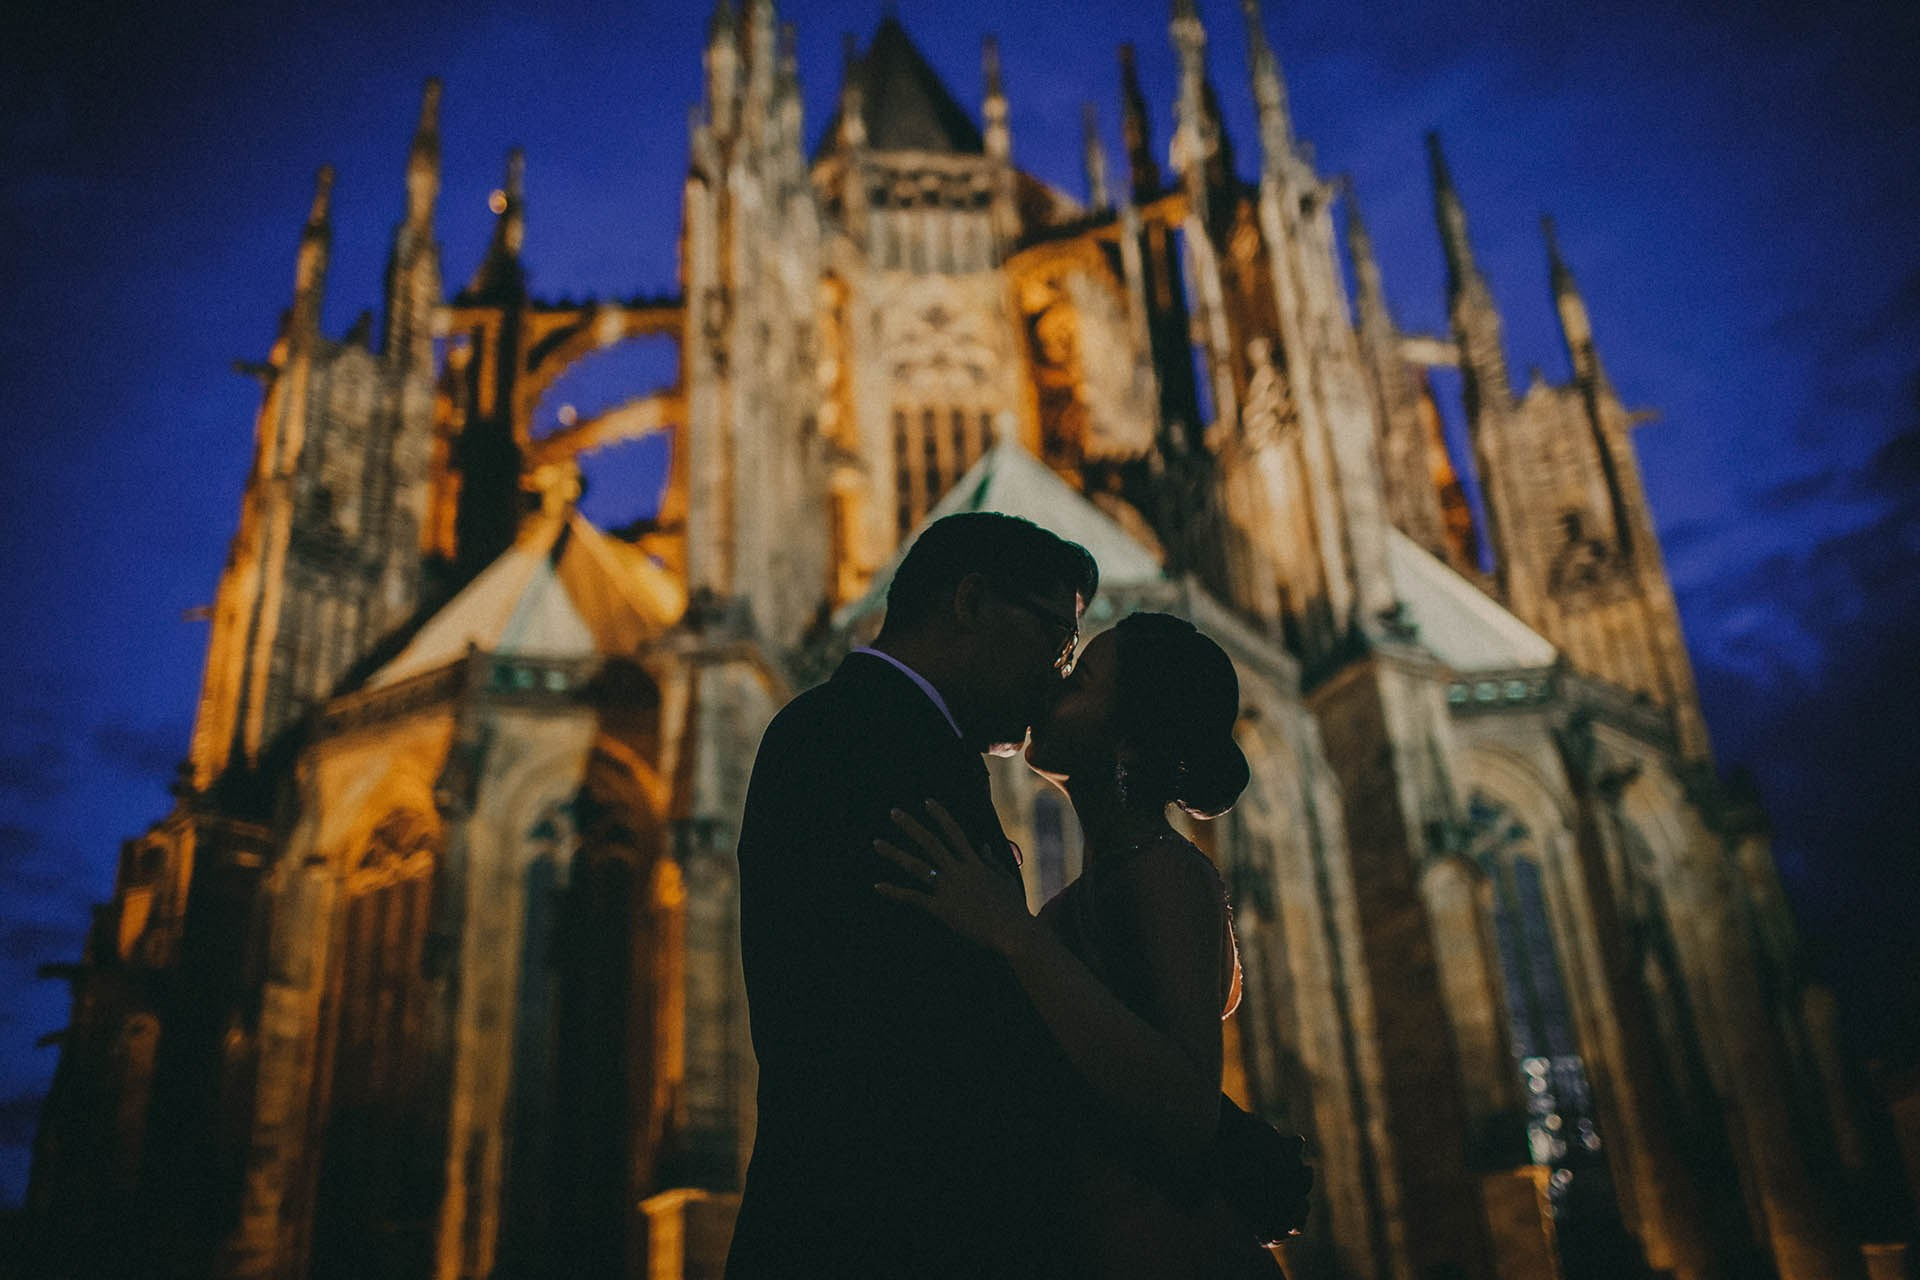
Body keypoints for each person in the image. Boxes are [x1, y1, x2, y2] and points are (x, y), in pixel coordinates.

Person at [725, 511, 1100, 1278]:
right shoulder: (860, 734)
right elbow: (935, 1022)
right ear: (969, 603)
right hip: (883, 1231)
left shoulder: (888, 732)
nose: (1055, 680)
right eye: (1056, 645)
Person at [875, 611, 1295, 1278]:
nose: (1051, 688)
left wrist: (1013, 935)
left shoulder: (1168, 871)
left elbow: (1187, 1113)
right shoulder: (1104, 884)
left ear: (1126, 743)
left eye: (1079, 680)